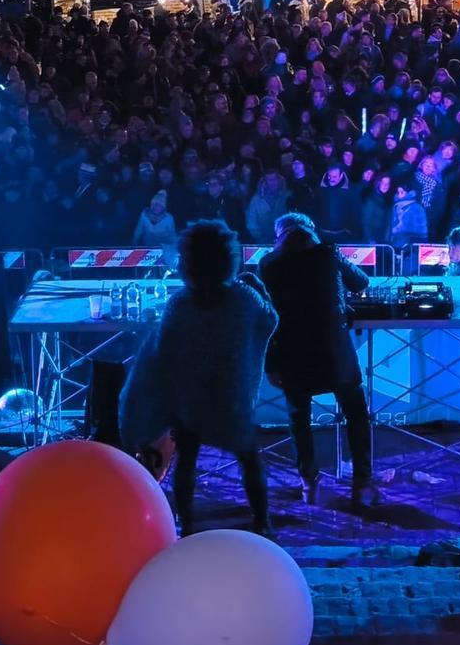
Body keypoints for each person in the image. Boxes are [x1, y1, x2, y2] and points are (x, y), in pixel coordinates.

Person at [120, 221, 277, 536]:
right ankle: (262, 522)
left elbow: (162, 352)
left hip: (188, 403)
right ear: (227, 258)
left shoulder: (179, 304)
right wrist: (257, 286)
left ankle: (187, 525)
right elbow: (270, 320)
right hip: (231, 401)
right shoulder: (243, 299)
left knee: (187, 463)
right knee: (249, 461)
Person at [258, 213, 377, 508]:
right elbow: (361, 282)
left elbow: (268, 317)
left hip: (292, 353)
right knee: (357, 415)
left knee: (300, 420)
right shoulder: (327, 255)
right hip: (334, 352)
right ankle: (362, 482)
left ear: (279, 236)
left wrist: (270, 364)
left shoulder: (268, 265)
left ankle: (308, 483)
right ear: (311, 232)